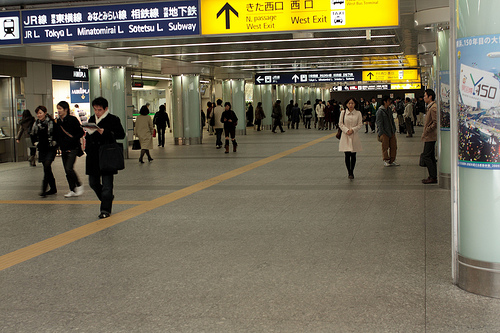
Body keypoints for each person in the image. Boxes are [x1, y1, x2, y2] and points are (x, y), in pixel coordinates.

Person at [84, 97, 125, 219]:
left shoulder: (113, 119)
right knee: (93, 183)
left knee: (107, 184)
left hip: (107, 155)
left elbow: (121, 135)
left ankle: (105, 210)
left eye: (99, 110)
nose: (97, 112)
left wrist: (105, 132)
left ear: (106, 108)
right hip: (93, 155)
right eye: (95, 109)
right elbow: (88, 135)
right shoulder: (92, 119)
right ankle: (107, 198)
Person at [56, 101, 85, 198]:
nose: (59, 111)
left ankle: (79, 185)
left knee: (69, 168)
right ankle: (72, 189)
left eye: (60, 109)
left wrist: (73, 139)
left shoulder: (72, 119)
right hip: (64, 148)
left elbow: (81, 132)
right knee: (67, 170)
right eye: (58, 108)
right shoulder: (58, 121)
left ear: (66, 109)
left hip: (73, 147)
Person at [31, 105, 58, 197]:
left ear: (45, 113)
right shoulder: (36, 124)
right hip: (41, 148)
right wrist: (35, 143)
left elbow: (56, 134)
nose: (38, 115)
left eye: (40, 113)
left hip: (51, 148)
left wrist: (55, 144)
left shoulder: (52, 122)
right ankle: (53, 188)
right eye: (37, 113)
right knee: (47, 169)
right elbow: (32, 134)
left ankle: (43, 189)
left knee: (47, 165)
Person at [339, 97, 363, 179]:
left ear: (355, 104)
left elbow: (360, 124)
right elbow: (340, 124)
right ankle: (349, 171)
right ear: (346, 104)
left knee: (353, 154)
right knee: (347, 154)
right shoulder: (343, 113)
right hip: (345, 135)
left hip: (354, 135)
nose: (351, 105)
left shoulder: (358, 113)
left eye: (352, 103)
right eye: (349, 103)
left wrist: (353, 130)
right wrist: (346, 130)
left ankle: (352, 171)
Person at [376, 95, 399, 167]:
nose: (390, 102)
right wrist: (381, 132)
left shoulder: (389, 110)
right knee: (385, 147)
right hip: (384, 132)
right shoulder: (380, 111)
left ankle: (392, 160)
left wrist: (394, 129)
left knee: (394, 146)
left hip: (391, 131)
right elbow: (379, 123)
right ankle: (386, 160)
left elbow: (392, 120)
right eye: (388, 101)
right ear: (384, 102)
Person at [421, 89, 438, 184]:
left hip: (431, 136)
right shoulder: (430, 107)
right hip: (429, 136)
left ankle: (433, 176)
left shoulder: (433, 108)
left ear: (430, 96)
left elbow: (435, 122)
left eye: (425, 95)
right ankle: (432, 176)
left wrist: (427, 129)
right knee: (430, 156)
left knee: (427, 156)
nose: (424, 97)